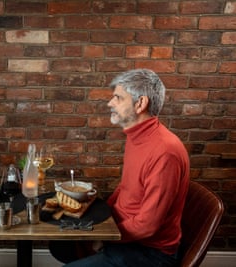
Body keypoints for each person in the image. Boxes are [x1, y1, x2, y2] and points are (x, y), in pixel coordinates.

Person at [49, 69, 190, 267]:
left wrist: (104, 237)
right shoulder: (137, 136)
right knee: (59, 245)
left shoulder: (165, 152)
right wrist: (99, 218)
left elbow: (147, 226)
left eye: (118, 97)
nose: (110, 103)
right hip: (123, 234)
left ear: (140, 103)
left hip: (149, 252)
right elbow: (126, 189)